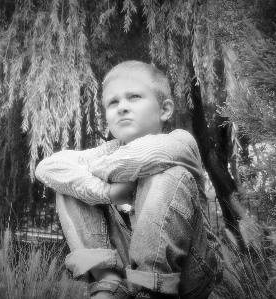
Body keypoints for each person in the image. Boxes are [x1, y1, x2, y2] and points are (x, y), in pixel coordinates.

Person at [35, 61, 222, 299]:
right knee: (68, 185)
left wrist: (89, 173)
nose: (122, 107)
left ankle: (152, 289)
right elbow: (47, 167)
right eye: (113, 102)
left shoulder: (180, 143)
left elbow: (143, 156)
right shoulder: (106, 152)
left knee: (165, 174)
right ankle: (107, 281)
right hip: (125, 268)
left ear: (164, 110)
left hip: (189, 270)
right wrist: (110, 193)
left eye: (134, 97)